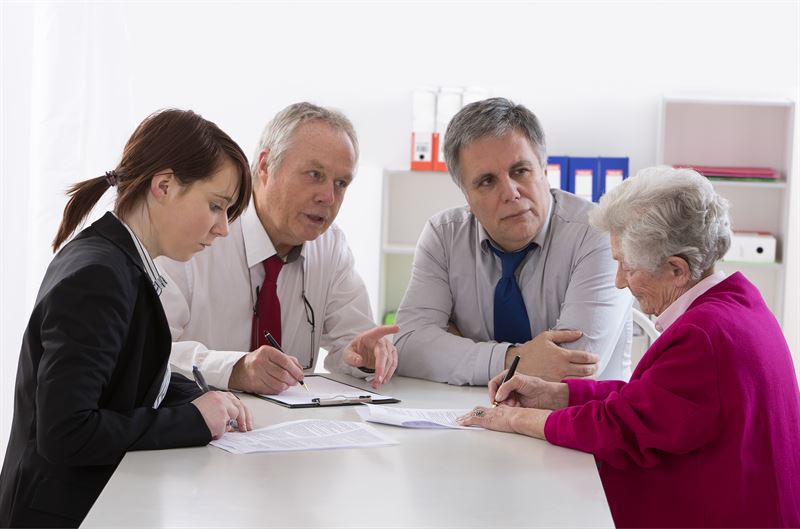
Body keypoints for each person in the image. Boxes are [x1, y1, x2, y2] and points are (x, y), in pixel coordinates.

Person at [458, 166, 800, 528]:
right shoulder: (737, 301)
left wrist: (511, 418)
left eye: (627, 267)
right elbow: (655, 403)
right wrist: (555, 395)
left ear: (677, 270)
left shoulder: (705, 334)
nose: (620, 282)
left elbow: (618, 429)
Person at [0, 109, 254, 528]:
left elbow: (124, 370)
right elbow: (67, 433)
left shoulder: (118, 260)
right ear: (164, 186)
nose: (223, 229)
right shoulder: (99, 275)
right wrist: (193, 420)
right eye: (216, 206)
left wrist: (198, 397)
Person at [158, 102, 398, 395]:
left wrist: (366, 358)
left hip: (290, 431)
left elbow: (352, 344)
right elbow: (151, 353)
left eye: (341, 183)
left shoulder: (331, 246)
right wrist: (234, 370)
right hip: (199, 422)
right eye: (314, 174)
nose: (328, 197)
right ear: (264, 166)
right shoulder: (197, 234)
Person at [394, 98, 632, 385]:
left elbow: (574, 365)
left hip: (576, 420)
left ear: (544, 170)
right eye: (487, 181)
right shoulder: (443, 235)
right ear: (466, 197)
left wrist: (457, 350)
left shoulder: (597, 232)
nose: (511, 192)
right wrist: (513, 359)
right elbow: (408, 345)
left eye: (520, 171)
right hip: (466, 414)